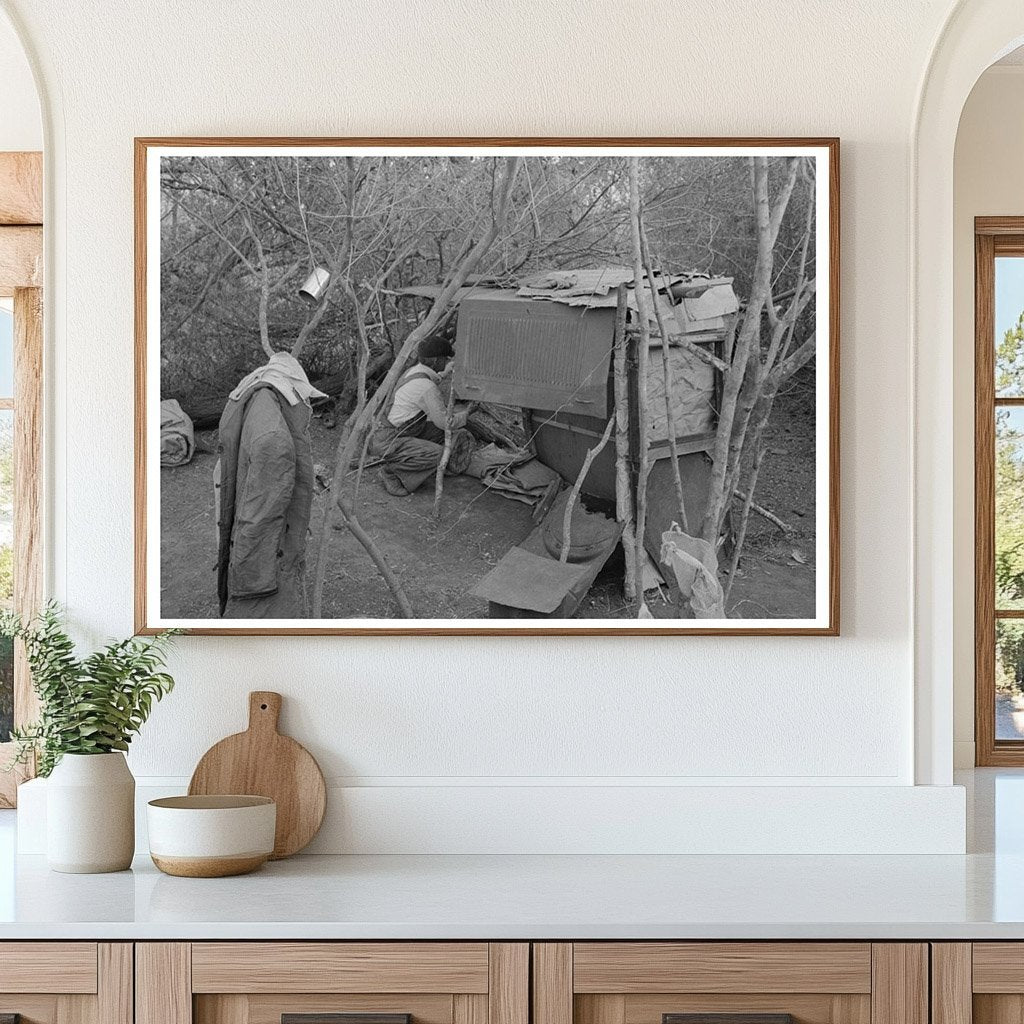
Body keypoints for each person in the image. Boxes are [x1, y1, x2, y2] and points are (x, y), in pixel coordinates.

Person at [215, 351, 327, 618]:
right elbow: (262, 518)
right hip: (260, 553)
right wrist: (255, 572)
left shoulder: (258, 402)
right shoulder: (274, 437)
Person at [371, 335, 476, 496]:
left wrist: (444, 373)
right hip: (388, 440)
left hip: (385, 433)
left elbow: (428, 383)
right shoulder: (426, 387)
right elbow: (445, 422)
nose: (446, 362)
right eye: (445, 359)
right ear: (435, 361)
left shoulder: (413, 371)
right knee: (438, 453)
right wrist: (466, 414)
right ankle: (391, 472)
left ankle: (414, 461)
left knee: (437, 433)